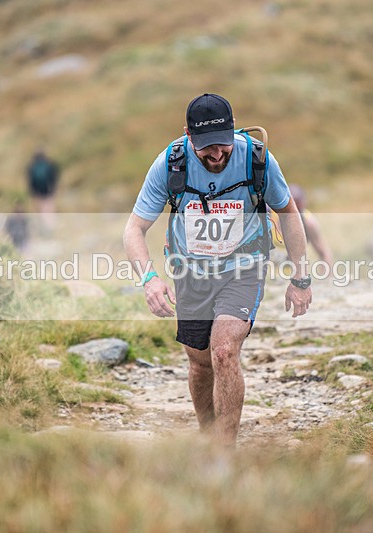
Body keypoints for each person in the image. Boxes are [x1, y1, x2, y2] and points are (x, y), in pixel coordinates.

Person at [123, 93, 312, 447]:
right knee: (199, 363)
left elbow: (288, 213)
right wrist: (149, 279)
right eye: (206, 148)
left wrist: (300, 278)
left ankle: (224, 453)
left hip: (244, 267)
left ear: (233, 129)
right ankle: (208, 439)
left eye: (222, 145)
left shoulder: (256, 158)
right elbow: (134, 229)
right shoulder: (170, 163)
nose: (216, 155)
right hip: (190, 271)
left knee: (223, 350)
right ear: (187, 135)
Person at [272, 184, 334, 267]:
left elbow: (324, 254)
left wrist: (326, 278)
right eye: (289, 211)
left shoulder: (309, 222)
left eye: (297, 211)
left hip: (292, 275)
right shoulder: (269, 216)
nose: (293, 216)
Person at [26, 150, 59, 234]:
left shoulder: (32, 167)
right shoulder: (49, 165)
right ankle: (50, 227)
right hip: (49, 191)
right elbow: (54, 178)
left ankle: (42, 228)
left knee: (41, 210)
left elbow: (31, 181)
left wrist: (33, 192)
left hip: (37, 192)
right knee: (49, 210)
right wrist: (54, 190)